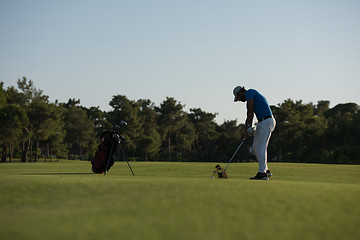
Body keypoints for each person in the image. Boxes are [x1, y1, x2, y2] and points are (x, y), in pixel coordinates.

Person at [233, 86, 276, 180]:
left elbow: (250, 111)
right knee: (254, 148)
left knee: (261, 147)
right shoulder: (249, 98)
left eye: (239, 97)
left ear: (241, 92)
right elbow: (248, 114)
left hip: (267, 121)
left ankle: (262, 174)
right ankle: (266, 170)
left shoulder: (250, 92)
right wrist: (246, 131)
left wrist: (249, 126)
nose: (239, 100)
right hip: (261, 123)